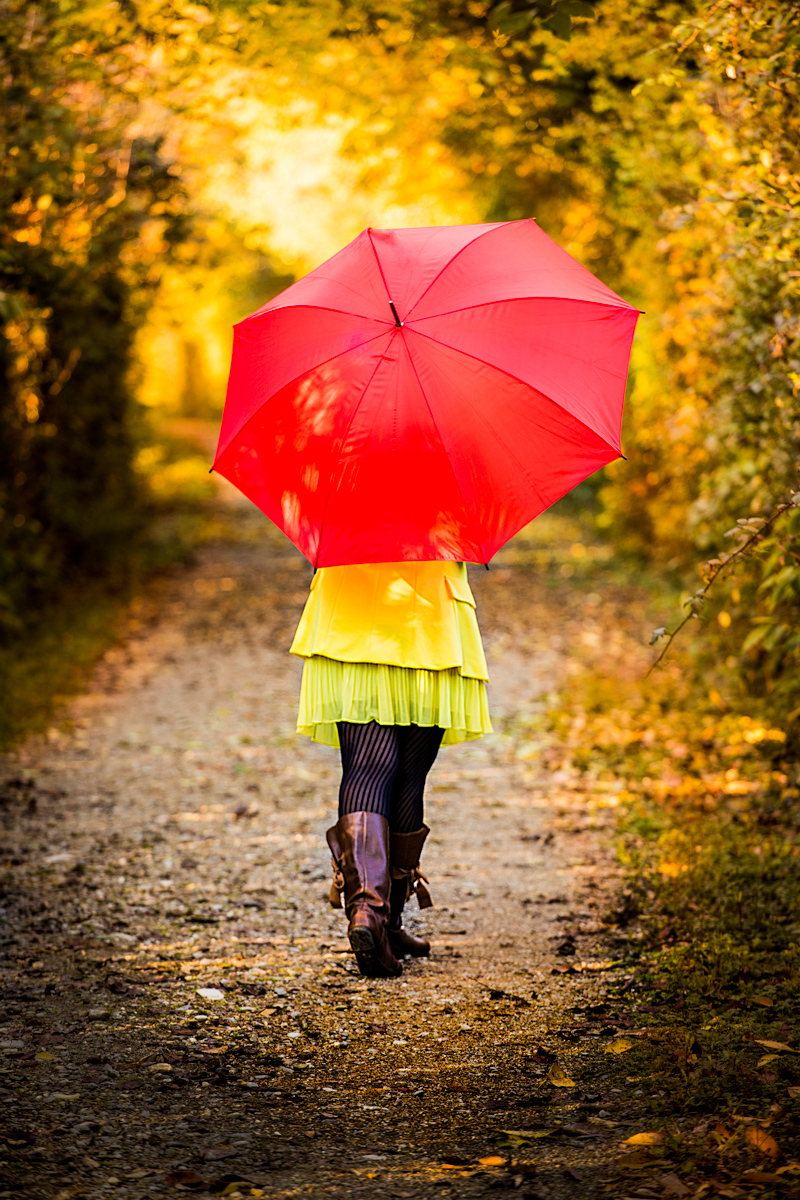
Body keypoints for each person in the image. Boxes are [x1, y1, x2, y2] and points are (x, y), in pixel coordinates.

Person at [290, 561, 491, 978]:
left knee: (366, 766)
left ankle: (371, 914)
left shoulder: (341, 491)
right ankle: (384, 919)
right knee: (408, 775)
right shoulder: (447, 493)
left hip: (351, 615)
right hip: (429, 618)